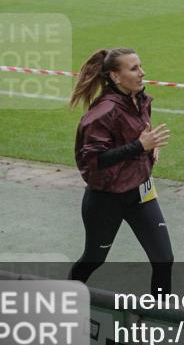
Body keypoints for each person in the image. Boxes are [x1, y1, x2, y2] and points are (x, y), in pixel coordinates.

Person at [68, 48, 173, 295]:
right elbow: (92, 160)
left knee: (164, 260)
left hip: (141, 194)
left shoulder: (141, 100)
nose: (142, 73)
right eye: (134, 68)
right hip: (106, 201)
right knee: (94, 258)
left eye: (141, 66)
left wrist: (149, 149)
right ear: (115, 77)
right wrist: (140, 146)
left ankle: (157, 321)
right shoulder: (102, 113)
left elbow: (139, 137)